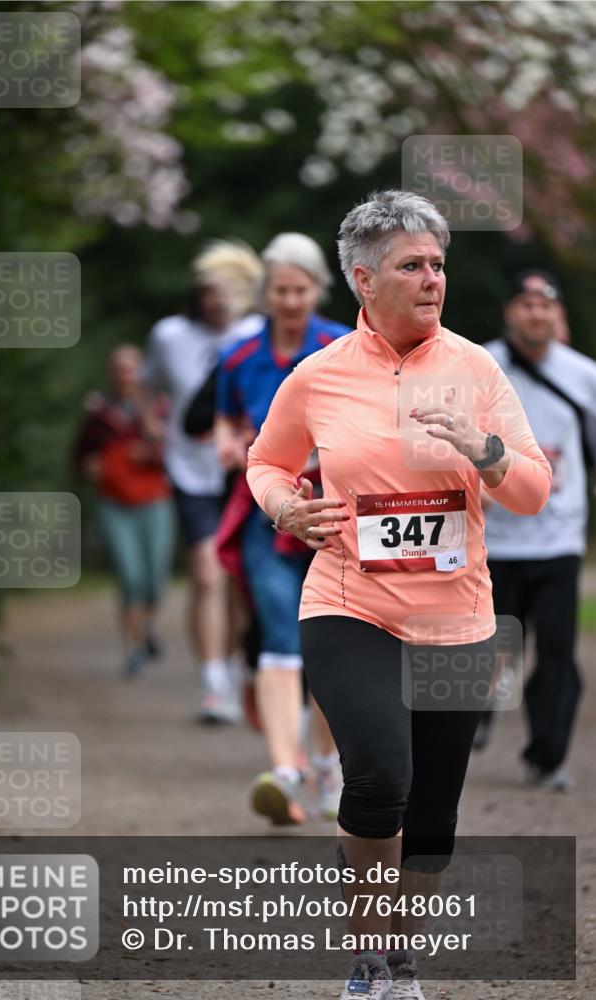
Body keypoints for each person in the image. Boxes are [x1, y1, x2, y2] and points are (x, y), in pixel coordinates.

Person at [246, 192, 551, 999]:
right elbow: (266, 461)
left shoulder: (474, 369)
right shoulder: (318, 376)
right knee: (379, 776)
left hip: (457, 617)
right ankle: (368, 959)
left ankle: (401, 955)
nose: (431, 279)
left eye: (437, 265)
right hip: (350, 603)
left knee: (433, 819)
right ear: (362, 279)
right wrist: (283, 507)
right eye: (411, 266)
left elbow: (531, 491)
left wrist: (484, 451)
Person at [214, 233, 350, 825]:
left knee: (330, 642)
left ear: (318, 289)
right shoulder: (239, 356)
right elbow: (222, 418)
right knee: (277, 633)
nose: (290, 301)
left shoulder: (343, 347)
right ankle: (285, 772)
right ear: (264, 294)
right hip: (266, 511)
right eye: (280, 291)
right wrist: (227, 444)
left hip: (333, 512)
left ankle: (327, 764)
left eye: (300, 290)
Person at [475, 270, 596, 789]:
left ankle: (547, 757)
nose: (536, 314)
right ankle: (472, 719)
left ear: (558, 314)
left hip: (558, 539)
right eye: (526, 304)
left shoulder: (584, 375)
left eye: (545, 305)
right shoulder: (481, 367)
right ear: (510, 312)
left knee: (557, 652)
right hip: (496, 538)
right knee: (487, 645)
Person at [146, 241, 263, 722]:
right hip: (189, 470)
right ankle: (213, 683)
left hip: (244, 471)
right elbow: (145, 385)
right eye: (210, 291)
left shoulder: (257, 333)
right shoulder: (169, 335)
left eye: (228, 291)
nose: (219, 300)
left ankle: (233, 670)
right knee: (206, 570)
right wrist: (151, 424)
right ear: (197, 293)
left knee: (237, 579)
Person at [73, 345, 175, 677]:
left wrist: (148, 448)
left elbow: (175, 452)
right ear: (111, 373)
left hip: (154, 500)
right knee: (131, 576)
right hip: (115, 503)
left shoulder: (159, 407)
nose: (125, 375)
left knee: (155, 578)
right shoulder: (99, 413)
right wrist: (92, 466)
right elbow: (79, 456)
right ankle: (134, 650)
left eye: (131, 368)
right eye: (119, 369)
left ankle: (145, 626)